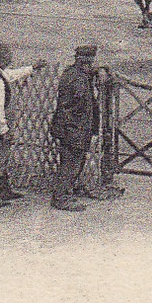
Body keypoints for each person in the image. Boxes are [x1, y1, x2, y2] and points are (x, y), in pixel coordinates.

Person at [48, 45, 122, 211]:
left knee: (74, 161)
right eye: (89, 63)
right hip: (73, 127)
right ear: (84, 62)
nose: (90, 66)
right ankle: (61, 198)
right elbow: (80, 102)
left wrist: (99, 71)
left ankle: (67, 192)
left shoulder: (74, 73)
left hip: (74, 127)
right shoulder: (78, 79)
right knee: (70, 163)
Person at [0, 44, 46, 207]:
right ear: (3, 57)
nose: (12, 58)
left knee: (0, 157)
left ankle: (2, 191)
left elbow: (11, 75)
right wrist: (3, 130)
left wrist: (32, 68)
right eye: (10, 56)